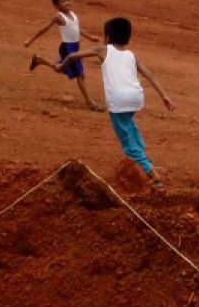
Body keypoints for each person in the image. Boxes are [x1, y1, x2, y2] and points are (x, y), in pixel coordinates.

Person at [58, 17, 174, 188]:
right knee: (130, 125)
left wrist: (62, 65)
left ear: (107, 38)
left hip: (119, 101)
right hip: (136, 98)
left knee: (127, 141)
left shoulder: (103, 50)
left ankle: (153, 176)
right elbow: (150, 75)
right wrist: (164, 95)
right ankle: (142, 155)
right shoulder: (131, 55)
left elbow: (73, 55)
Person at [25, 0, 105, 111]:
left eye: (68, 0)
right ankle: (90, 102)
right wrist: (30, 40)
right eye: (63, 1)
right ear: (56, 6)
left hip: (74, 47)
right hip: (67, 49)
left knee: (61, 69)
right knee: (80, 74)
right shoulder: (59, 16)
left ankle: (40, 60)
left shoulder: (73, 14)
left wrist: (90, 37)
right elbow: (44, 29)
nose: (67, 2)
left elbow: (78, 29)